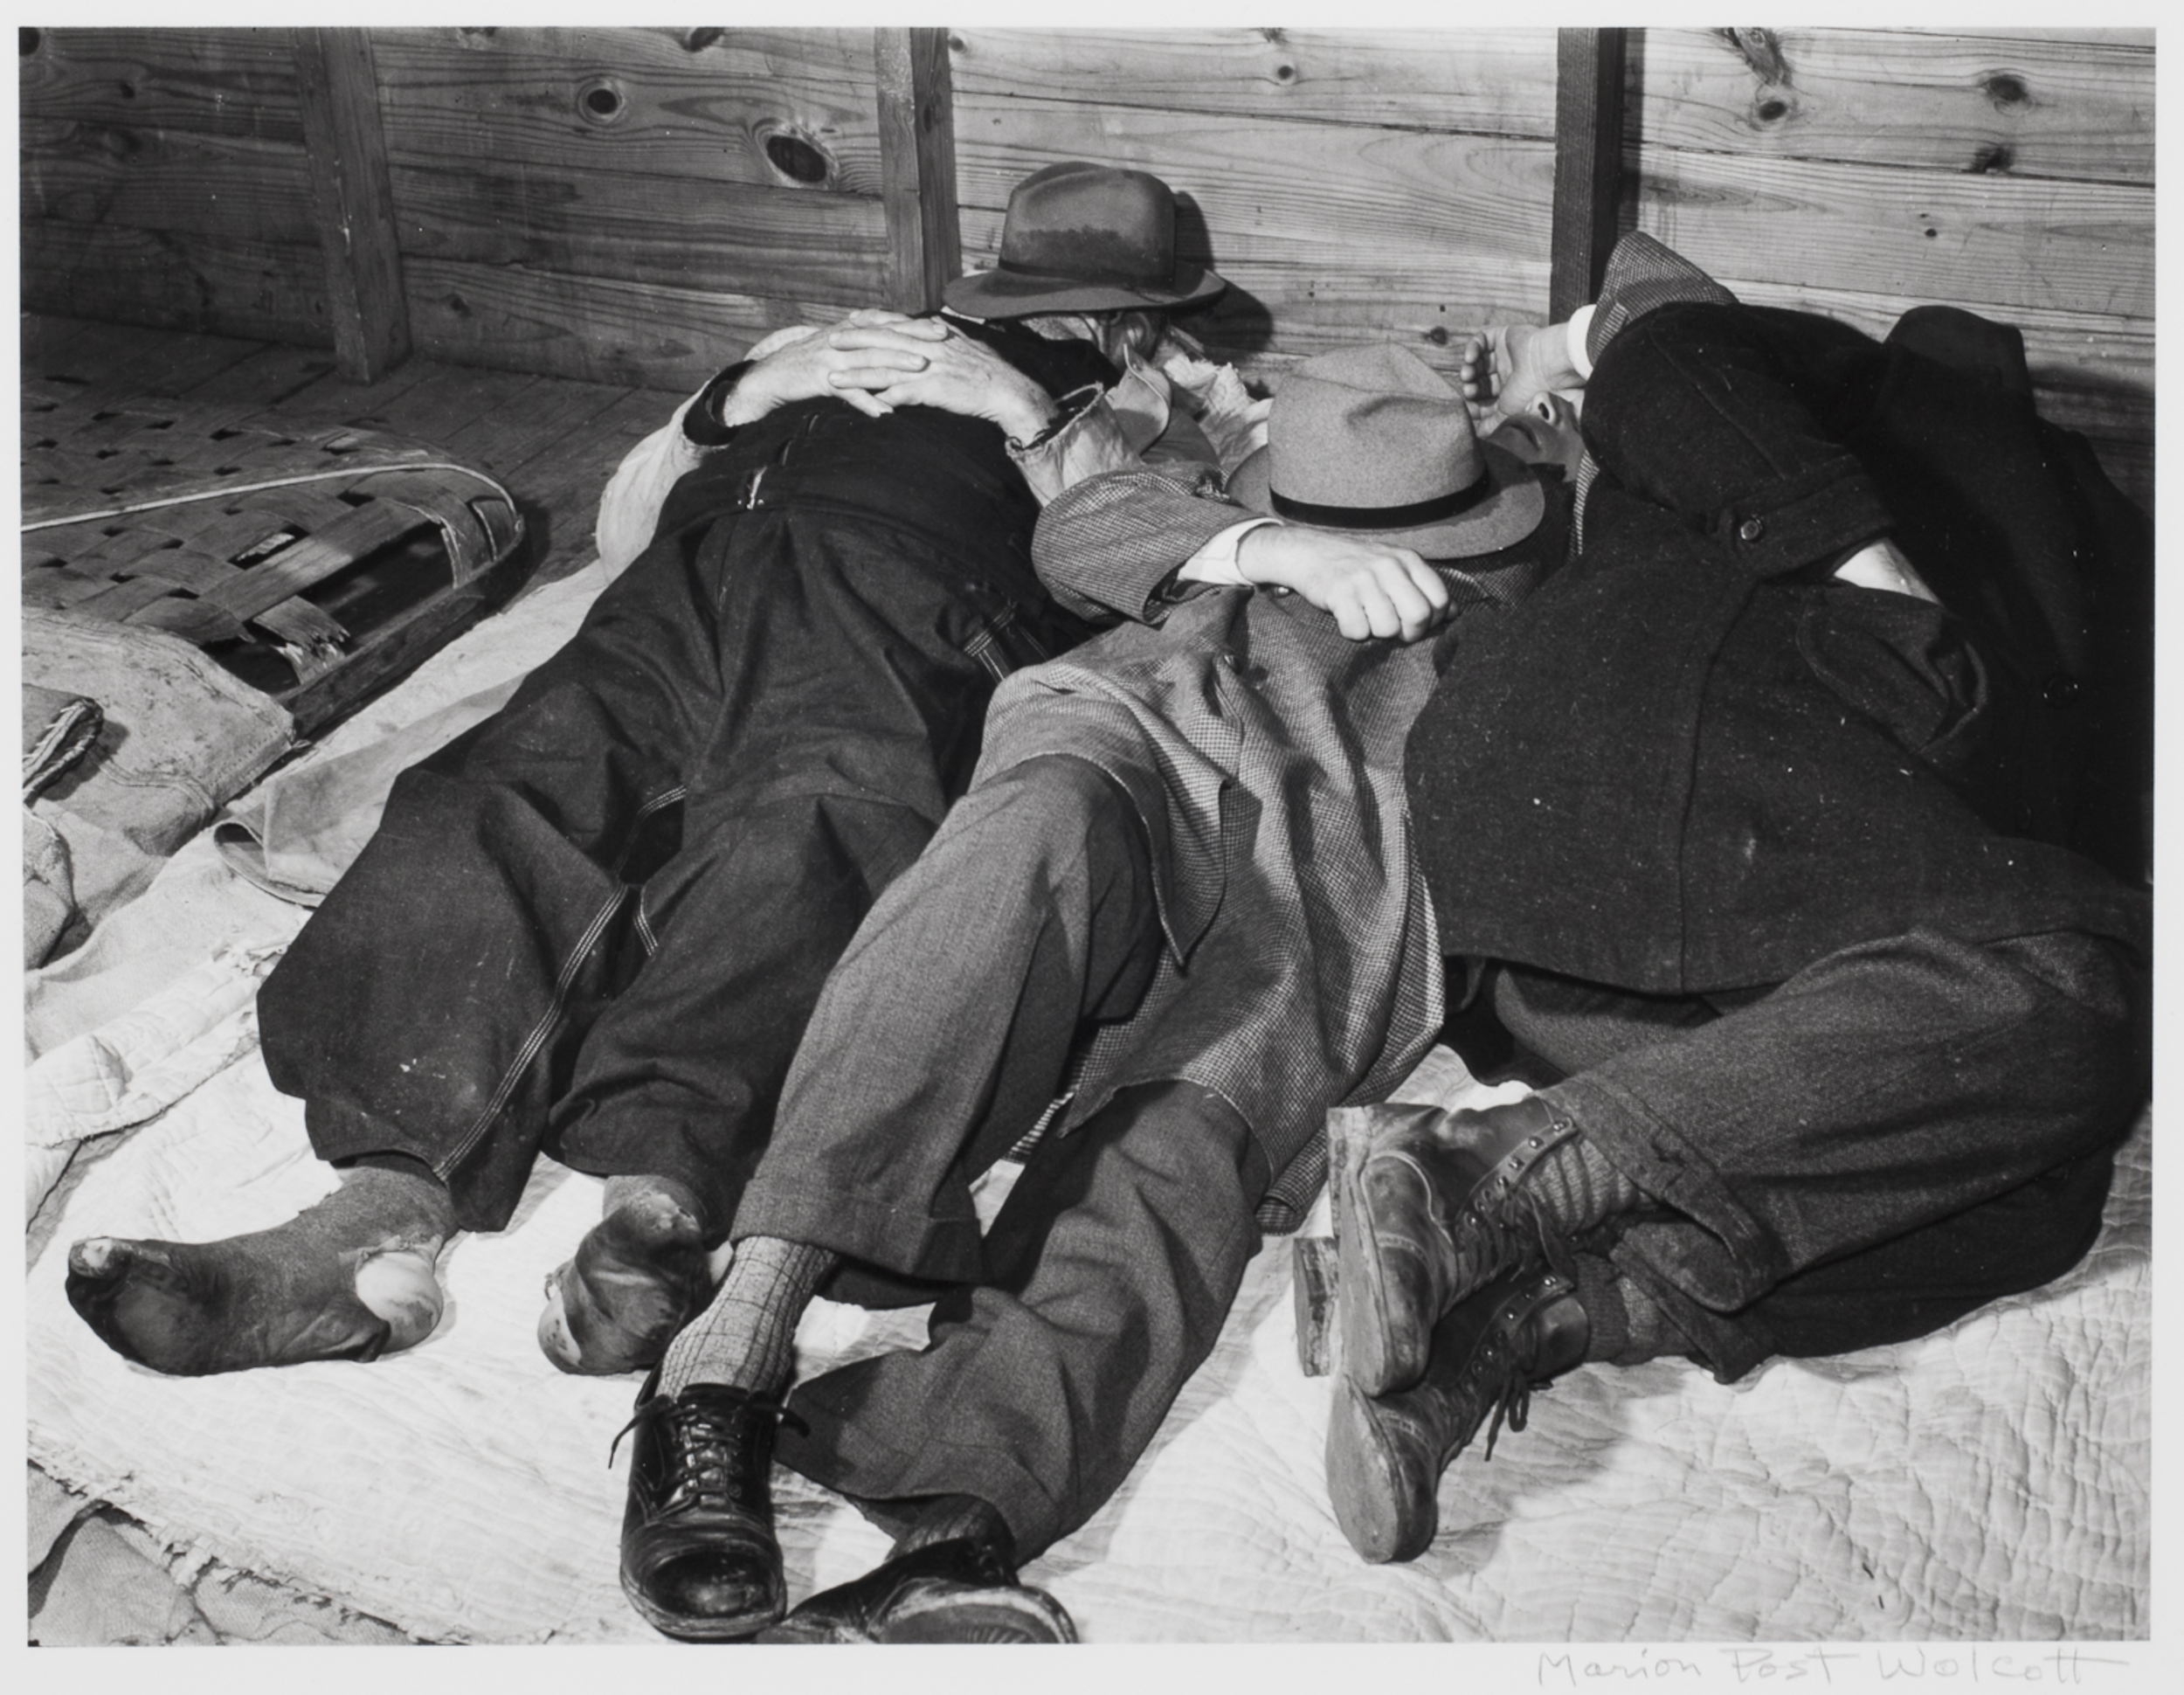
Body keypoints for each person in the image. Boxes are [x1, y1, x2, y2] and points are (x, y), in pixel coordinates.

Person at [60, 161, 1259, 1381]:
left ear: (1134, 324)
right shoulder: (827, 341)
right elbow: (625, 523)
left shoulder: (1157, 408)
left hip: (906, 596)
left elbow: (1158, 568)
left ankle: (657, 1216)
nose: (1041, 327)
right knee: (490, 797)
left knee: (814, 828)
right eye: (1023, 306)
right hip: (680, 582)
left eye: (1078, 313)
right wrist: (734, 398)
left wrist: (1029, 409)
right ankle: (354, 1242)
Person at [610, 343, 1567, 1642]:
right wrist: (1275, 550)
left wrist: (1570, 356)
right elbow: (1080, 526)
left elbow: (1677, 358)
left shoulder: (1542, 574)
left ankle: (958, 1526)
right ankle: (726, 1360)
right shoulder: (1206, 508)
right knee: (1013, 858)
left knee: (1192, 1134)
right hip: (1135, 751)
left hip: (1335, 867)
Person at [1321, 233, 2152, 1565]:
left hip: (1619, 939)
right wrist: (1882, 597)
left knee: (2043, 1190)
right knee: (2077, 1001)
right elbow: (1664, 351)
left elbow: (2108, 844)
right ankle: (1488, 1168)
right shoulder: (1844, 379)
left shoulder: (2091, 567)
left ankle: (1510, 1318)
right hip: (1666, 773)